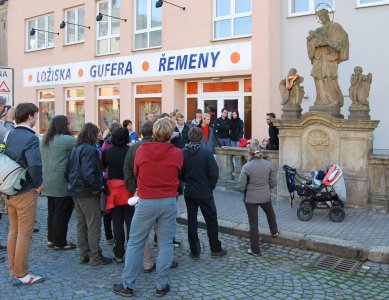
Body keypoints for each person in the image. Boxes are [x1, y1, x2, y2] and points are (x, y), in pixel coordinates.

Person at [113, 118, 183, 297]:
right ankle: (161, 284)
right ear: (170, 134)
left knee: (136, 242)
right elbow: (179, 172)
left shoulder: (142, 150)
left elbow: (136, 172)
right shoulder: (177, 153)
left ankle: (128, 285)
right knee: (166, 243)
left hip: (147, 200)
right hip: (168, 201)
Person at [4, 102, 44, 285]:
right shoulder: (31, 138)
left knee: (13, 230)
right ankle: (21, 273)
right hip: (25, 189)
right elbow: (34, 164)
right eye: (35, 116)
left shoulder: (10, 133)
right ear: (29, 117)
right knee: (24, 233)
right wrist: (39, 183)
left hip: (8, 189)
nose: (36, 119)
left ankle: (13, 268)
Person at [66, 123, 112, 266]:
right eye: (97, 132)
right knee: (93, 224)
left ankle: (84, 254)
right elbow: (89, 174)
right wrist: (98, 188)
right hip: (87, 192)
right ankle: (95, 256)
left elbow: (67, 171)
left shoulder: (76, 148)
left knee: (82, 223)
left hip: (76, 190)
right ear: (91, 134)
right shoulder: (90, 150)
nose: (100, 134)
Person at [180, 127, 227, 260]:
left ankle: (195, 251)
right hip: (204, 191)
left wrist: (187, 181)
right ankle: (215, 248)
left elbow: (181, 173)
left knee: (192, 221)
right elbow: (214, 173)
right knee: (211, 220)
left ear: (189, 137)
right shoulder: (206, 152)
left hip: (190, 191)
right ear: (201, 138)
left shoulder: (183, 152)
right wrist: (210, 186)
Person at [123, 121, 156, 272]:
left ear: (141, 133)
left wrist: (133, 189)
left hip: (140, 192)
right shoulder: (160, 145)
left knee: (143, 230)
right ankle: (164, 259)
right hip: (158, 192)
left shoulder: (135, 147)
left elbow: (127, 169)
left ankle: (147, 262)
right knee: (161, 229)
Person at [40, 115, 76, 250]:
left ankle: (51, 239)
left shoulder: (45, 139)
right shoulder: (67, 140)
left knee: (52, 211)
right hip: (61, 181)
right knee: (62, 213)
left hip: (47, 179)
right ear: (64, 125)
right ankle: (60, 242)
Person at [236, 144, 279, 257]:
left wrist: (245, 190)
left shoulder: (247, 167)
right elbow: (274, 182)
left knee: (253, 223)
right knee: (270, 212)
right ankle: (274, 231)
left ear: (249, 153)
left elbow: (241, 186)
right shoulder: (269, 165)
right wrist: (266, 188)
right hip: (265, 196)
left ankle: (255, 250)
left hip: (250, 198)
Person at [102, 127, 133, 263]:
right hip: (128, 188)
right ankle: (132, 251)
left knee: (117, 222)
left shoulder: (107, 152)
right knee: (130, 222)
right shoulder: (130, 152)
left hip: (113, 189)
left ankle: (119, 253)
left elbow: (102, 168)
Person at [307, 8, 349, 107]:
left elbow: (344, 37)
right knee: (318, 77)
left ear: (327, 16)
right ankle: (321, 100)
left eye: (322, 17)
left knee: (328, 76)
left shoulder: (334, 26)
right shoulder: (318, 30)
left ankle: (334, 100)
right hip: (319, 57)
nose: (321, 19)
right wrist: (315, 44)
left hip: (329, 56)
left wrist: (332, 42)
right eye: (319, 17)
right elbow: (310, 42)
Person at [101, 122, 122, 245]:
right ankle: (112, 236)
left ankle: (110, 236)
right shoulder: (109, 144)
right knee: (112, 211)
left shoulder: (105, 144)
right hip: (113, 179)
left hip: (108, 178)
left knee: (108, 211)